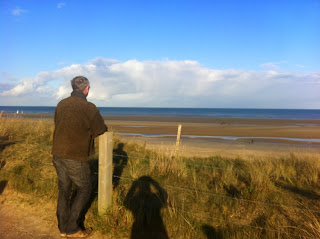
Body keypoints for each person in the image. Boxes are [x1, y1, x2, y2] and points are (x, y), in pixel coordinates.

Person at [52, 76, 108, 238]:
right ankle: (72, 228)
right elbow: (99, 129)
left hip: (57, 152)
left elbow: (58, 123)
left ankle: (63, 227)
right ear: (87, 89)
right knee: (85, 188)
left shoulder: (62, 104)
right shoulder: (89, 107)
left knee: (64, 189)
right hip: (75, 155)